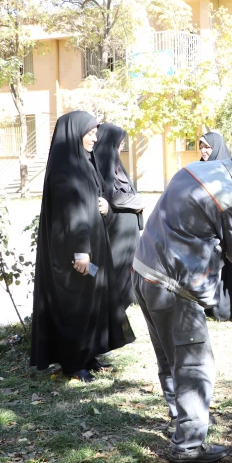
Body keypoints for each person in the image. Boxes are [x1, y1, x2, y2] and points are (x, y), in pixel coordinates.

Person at [132, 139, 232, 463]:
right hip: (173, 286)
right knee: (196, 365)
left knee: (170, 357)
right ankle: (188, 444)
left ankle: (180, 418)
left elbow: (205, 208)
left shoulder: (196, 170)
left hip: (144, 273)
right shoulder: (229, 198)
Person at [30, 111, 135, 384]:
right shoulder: (65, 171)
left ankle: (88, 355)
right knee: (76, 305)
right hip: (75, 255)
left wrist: (104, 208)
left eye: (96, 133)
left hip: (91, 247)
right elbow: (71, 215)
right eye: (90, 133)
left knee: (94, 301)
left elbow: (92, 200)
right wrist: (81, 252)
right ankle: (73, 363)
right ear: (75, 134)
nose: (95, 138)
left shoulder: (83, 163)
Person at [93, 123, 145, 356]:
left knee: (125, 286)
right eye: (119, 143)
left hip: (127, 239)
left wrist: (134, 202)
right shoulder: (100, 166)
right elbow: (105, 198)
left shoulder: (117, 166)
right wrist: (132, 203)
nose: (121, 147)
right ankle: (102, 336)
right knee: (112, 286)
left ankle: (109, 334)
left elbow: (127, 195)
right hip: (113, 238)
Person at [197, 131, 232, 321]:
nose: (204, 151)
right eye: (201, 147)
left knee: (231, 264)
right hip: (206, 226)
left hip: (228, 223)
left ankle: (231, 306)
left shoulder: (229, 168)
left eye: (207, 147)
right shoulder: (198, 169)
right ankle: (209, 304)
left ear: (216, 147)